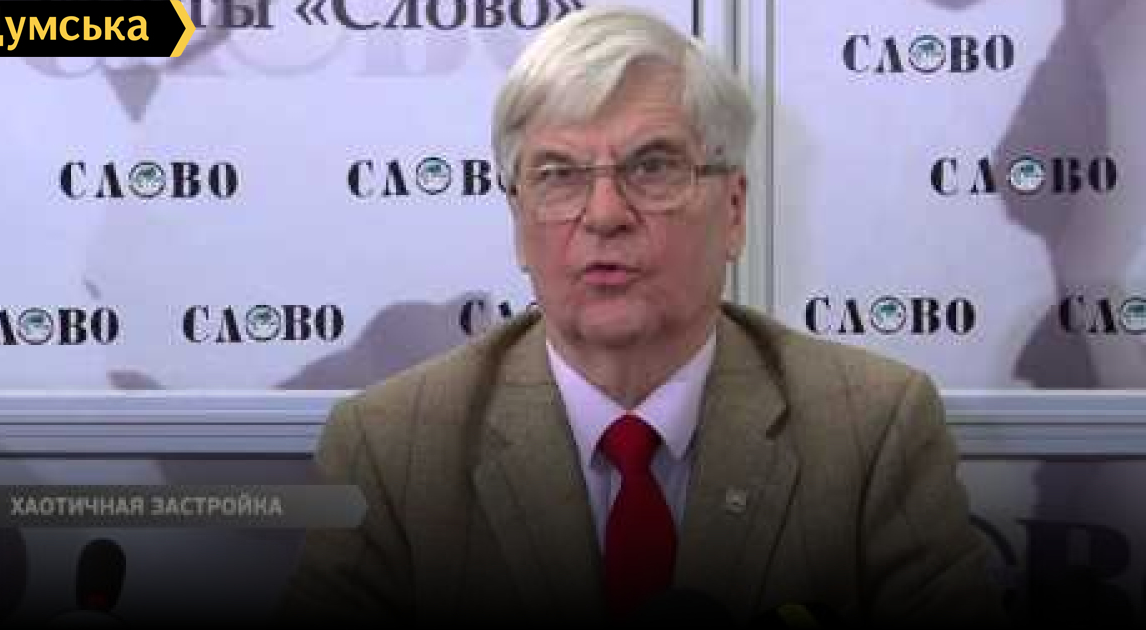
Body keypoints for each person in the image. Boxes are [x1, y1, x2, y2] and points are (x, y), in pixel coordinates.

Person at [278, 5, 1006, 627]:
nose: (604, 215)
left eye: (652, 168)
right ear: (518, 223)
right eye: (558, 176)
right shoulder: (393, 449)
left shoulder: (871, 430)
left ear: (734, 211)